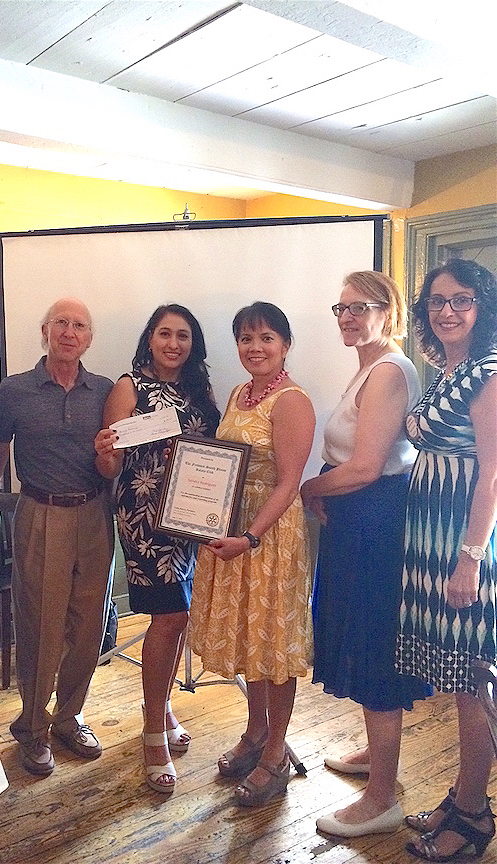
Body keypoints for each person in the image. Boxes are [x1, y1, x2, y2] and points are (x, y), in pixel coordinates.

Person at [300, 272, 431, 837]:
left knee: (375, 644)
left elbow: (366, 468)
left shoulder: (387, 372)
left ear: (389, 309)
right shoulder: (370, 366)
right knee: (360, 632)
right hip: (359, 519)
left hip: (376, 523)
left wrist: (308, 489)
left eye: (360, 307)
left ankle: (382, 799)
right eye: (341, 308)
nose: (347, 317)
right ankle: (379, 760)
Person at [190, 301, 315, 807]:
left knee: (275, 648)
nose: (254, 347)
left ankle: (276, 753)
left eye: (266, 338)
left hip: (270, 539)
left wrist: (253, 537)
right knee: (251, 643)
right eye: (245, 338)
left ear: (284, 345)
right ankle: (256, 730)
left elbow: (289, 482)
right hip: (235, 532)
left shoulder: (292, 400)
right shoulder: (242, 393)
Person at [95, 304, 220, 793]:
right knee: (168, 617)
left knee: (180, 616)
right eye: (165, 334)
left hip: (192, 518)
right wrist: (106, 453)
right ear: (150, 339)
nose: (173, 343)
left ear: (193, 343)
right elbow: (110, 468)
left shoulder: (198, 390)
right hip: (146, 519)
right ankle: (152, 733)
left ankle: (162, 706)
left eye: (183, 335)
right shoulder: (129, 386)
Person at [396, 259, 497, 861]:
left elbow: (493, 472)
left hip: (462, 542)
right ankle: (461, 794)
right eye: (437, 301)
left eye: (462, 300)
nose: (447, 311)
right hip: (430, 540)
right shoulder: (451, 369)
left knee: (471, 679)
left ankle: (475, 815)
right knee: (456, 675)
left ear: (483, 307)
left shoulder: (487, 371)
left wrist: (469, 558)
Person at [0, 297, 114, 776]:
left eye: (79, 325)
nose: (69, 331)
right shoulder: (14, 390)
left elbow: (113, 454)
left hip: (95, 514)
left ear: (88, 338)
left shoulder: (103, 390)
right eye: (60, 322)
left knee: (88, 624)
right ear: (45, 330)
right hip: (39, 513)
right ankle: (32, 728)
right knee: (40, 624)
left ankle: (68, 717)